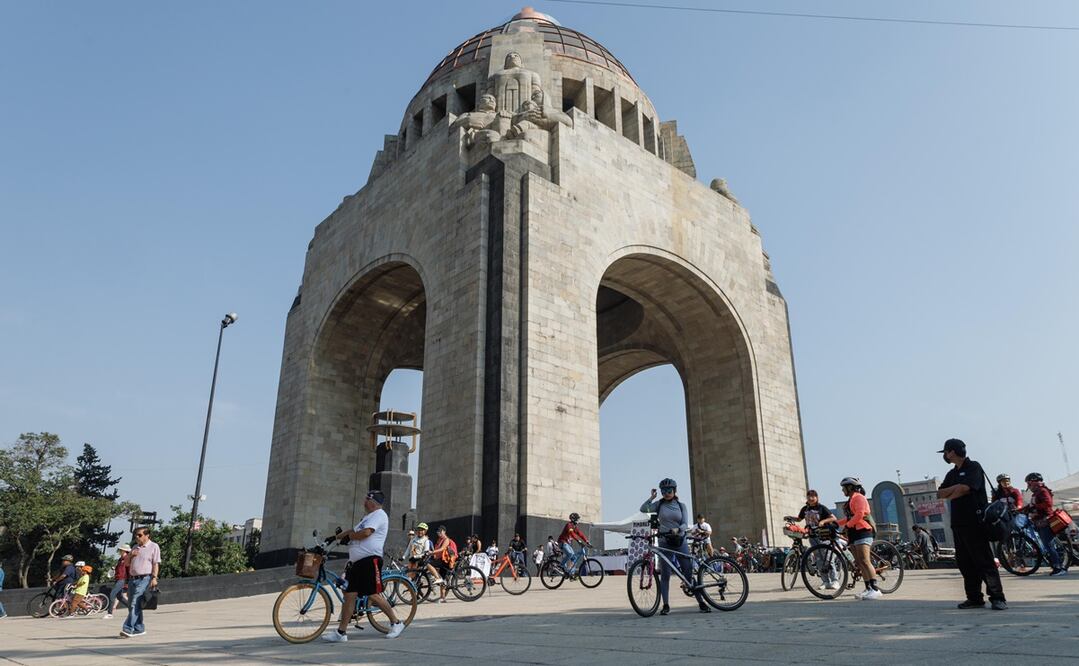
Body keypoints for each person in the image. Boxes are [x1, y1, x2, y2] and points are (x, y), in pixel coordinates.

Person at [322, 490, 405, 642]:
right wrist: (333, 538)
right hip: (357, 563)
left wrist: (349, 537)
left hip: (370, 560)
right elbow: (352, 531)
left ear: (372, 501)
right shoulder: (367, 518)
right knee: (349, 596)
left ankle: (397, 623)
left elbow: (366, 533)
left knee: (373, 594)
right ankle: (341, 633)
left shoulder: (379, 514)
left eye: (366, 499)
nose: (363, 502)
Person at [937, 438, 1007, 610]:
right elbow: (940, 493)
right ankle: (974, 598)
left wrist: (955, 491)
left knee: (984, 561)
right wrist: (956, 489)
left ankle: (997, 597)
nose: (945, 456)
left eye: (945, 452)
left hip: (975, 522)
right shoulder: (951, 474)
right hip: (958, 524)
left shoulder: (974, 467)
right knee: (965, 563)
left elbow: (965, 489)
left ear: (952, 451)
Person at [640, 478, 711, 614]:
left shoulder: (681, 505)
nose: (666, 493)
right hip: (664, 542)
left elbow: (685, 523)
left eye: (669, 490)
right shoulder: (659, 505)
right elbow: (643, 509)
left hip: (680, 541)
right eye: (664, 491)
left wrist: (678, 530)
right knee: (665, 574)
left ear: (674, 491)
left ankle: (701, 602)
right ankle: (665, 605)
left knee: (688, 573)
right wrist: (652, 497)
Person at [836, 478, 881, 600]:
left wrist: (847, 525)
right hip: (854, 533)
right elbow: (849, 518)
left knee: (865, 560)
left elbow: (860, 514)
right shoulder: (850, 500)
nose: (842, 490)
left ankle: (875, 589)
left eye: (843, 488)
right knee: (860, 563)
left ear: (850, 487)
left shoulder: (859, 497)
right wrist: (836, 523)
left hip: (863, 531)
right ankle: (868, 588)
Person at [793, 489, 839, 590]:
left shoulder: (821, 508)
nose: (811, 498)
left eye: (813, 496)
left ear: (817, 497)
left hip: (824, 536)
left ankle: (835, 580)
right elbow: (799, 519)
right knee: (819, 560)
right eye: (809, 496)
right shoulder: (805, 509)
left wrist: (823, 521)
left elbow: (833, 518)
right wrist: (790, 518)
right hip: (812, 537)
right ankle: (825, 581)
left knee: (827, 559)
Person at [1022, 472, 1066, 576]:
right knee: (1047, 545)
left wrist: (1035, 507)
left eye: (1029, 484)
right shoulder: (1036, 493)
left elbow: (1048, 503)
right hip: (1040, 521)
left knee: (1048, 545)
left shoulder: (1042, 491)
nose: (1028, 486)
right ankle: (1056, 565)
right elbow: (1032, 505)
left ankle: (1058, 567)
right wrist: (1021, 509)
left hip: (1045, 521)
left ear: (1035, 482)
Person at [120, 526, 160, 637]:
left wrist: (154, 578)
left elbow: (155, 563)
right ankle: (139, 628)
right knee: (133, 605)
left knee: (134, 603)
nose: (137, 537)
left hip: (145, 578)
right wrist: (131, 555)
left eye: (140, 535)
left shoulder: (153, 546)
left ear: (147, 535)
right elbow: (126, 563)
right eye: (136, 535)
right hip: (133, 579)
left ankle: (128, 628)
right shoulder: (135, 547)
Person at [430, 525, 458, 604]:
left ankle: (437, 578)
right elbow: (437, 551)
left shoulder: (446, 540)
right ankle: (443, 598)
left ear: (444, 532)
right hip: (442, 561)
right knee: (443, 580)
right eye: (438, 532)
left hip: (446, 561)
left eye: (440, 531)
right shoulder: (439, 540)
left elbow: (442, 549)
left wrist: (431, 552)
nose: (438, 533)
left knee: (428, 564)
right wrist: (431, 554)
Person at [104, 543, 131, 619]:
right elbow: (118, 570)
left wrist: (128, 581)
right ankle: (133, 608)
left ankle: (110, 613)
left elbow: (129, 570)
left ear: (124, 550)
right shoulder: (120, 559)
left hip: (122, 579)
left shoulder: (127, 558)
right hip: (118, 579)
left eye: (120, 550)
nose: (119, 551)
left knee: (112, 594)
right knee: (119, 597)